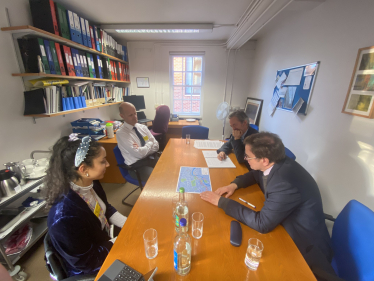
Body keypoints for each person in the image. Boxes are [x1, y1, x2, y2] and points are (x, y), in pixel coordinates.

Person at [201, 132, 336, 277]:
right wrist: (234, 185)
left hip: (304, 246)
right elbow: (256, 174)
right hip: (286, 222)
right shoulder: (275, 162)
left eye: (248, 156)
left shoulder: (284, 182)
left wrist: (221, 202)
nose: (245, 159)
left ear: (264, 160)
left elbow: (262, 223)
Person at [44, 134, 128, 277]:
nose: (107, 164)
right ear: (83, 169)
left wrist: (127, 223)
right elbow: (89, 262)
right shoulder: (64, 215)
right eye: (103, 161)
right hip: (90, 266)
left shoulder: (90, 183)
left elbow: (104, 208)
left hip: (103, 240)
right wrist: (120, 240)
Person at [117, 102, 159, 181]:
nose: (135, 117)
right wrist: (149, 143)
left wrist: (143, 149)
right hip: (137, 166)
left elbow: (156, 146)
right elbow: (139, 155)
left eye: (135, 113)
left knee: (169, 170)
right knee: (156, 179)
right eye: (130, 115)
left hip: (151, 158)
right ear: (122, 116)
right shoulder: (122, 133)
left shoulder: (142, 127)